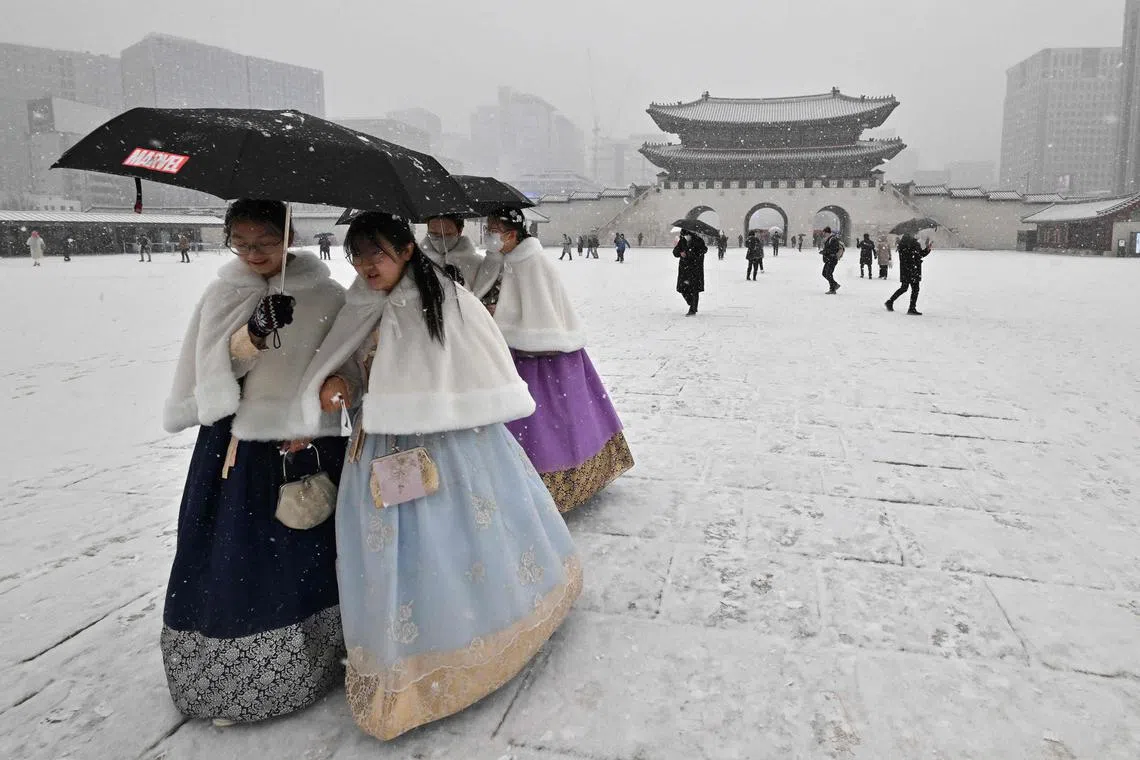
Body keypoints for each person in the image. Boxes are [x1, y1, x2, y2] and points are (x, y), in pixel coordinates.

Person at [299, 211, 582, 740]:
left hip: (447, 446)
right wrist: (339, 380)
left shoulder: (445, 300)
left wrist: (426, 405)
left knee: (449, 539)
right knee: (392, 550)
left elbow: (468, 366)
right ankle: (398, 659)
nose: (365, 266)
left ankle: (461, 644)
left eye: (376, 254)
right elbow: (356, 368)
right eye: (357, 256)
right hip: (378, 447)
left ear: (406, 250)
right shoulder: (361, 303)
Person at [160, 199, 348, 725]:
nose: (252, 253)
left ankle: (323, 653)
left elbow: (339, 363)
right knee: (239, 554)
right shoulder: (226, 291)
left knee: (308, 548)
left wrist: (315, 412)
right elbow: (215, 369)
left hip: (309, 440)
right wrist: (253, 335)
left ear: (288, 235)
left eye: (264, 242)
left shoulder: (327, 294)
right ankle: (242, 675)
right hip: (239, 449)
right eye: (240, 243)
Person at [474, 207, 634, 512]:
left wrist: (504, 318)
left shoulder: (531, 262)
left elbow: (541, 313)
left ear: (511, 233)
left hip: (542, 358)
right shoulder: (503, 261)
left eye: (494, 229)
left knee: (550, 421)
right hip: (510, 354)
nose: (489, 235)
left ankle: (557, 481)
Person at [420, 214, 483, 288]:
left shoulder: (477, 265)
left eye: (447, 234)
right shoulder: (416, 261)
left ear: (460, 231)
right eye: (434, 234)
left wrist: (462, 288)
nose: (441, 239)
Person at [885, 234, 933, 315]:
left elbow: (916, 255)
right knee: (915, 289)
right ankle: (911, 308)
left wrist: (927, 249)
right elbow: (919, 255)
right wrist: (926, 250)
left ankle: (890, 301)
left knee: (904, 288)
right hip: (913, 270)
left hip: (905, 270)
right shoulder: (914, 244)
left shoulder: (902, 244)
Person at [673, 230, 707, 315]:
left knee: (694, 289)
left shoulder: (698, 241)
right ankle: (691, 303)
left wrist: (688, 254)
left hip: (695, 269)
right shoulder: (682, 241)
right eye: (684, 235)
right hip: (684, 270)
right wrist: (680, 253)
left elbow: (701, 252)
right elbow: (675, 252)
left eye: (687, 235)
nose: (685, 236)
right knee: (683, 288)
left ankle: (693, 309)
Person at [820, 226, 844, 294]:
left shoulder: (833, 239)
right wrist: (824, 251)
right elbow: (829, 249)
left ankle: (832, 289)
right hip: (828, 259)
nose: (823, 234)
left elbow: (833, 249)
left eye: (824, 233)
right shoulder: (829, 239)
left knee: (828, 274)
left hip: (832, 259)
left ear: (827, 232)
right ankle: (834, 285)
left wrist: (825, 252)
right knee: (824, 273)